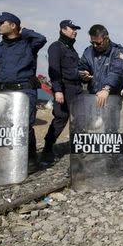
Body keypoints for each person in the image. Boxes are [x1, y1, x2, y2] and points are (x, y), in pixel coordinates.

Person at [0, 12, 47, 173]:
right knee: (4, 127)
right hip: (4, 92)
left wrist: (25, 31)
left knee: (25, 125)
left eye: (2, 22)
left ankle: (30, 159)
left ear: (13, 25)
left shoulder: (28, 43)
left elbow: (42, 39)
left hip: (25, 91)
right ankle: (8, 158)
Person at [41, 20, 82, 163]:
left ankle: (79, 149)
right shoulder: (55, 47)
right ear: (63, 29)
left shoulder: (71, 49)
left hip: (77, 89)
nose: (75, 31)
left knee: (80, 119)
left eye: (76, 29)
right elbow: (54, 70)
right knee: (60, 118)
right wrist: (58, 90)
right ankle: (47, 149)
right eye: (72, 28)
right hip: (65, 89)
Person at [78, 24, 123, 108]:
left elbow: (116, 72)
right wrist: (83, 74)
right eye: (92, 42)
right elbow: (82, 66)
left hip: (111, 100)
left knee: (110, 121)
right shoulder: (88, 52)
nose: (95, 46)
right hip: (93, 99)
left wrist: (106, 89)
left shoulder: (118, 51)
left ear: (106, 39)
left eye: (98, 43)